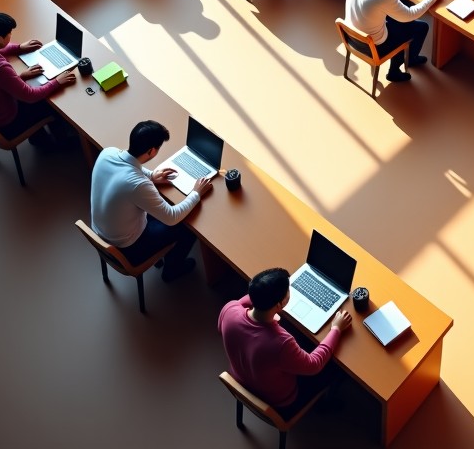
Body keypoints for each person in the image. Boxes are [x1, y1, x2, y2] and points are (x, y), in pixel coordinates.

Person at [90, 119, 213, 283]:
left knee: (159, 205)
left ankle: (167, 258)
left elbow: (128, 167)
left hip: (101, 232)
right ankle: (172, 270)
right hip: (127, 247)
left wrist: (152, 176)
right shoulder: (137, 185)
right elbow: (172, 217)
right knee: (188, 226)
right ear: (151, 151)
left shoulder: (108, 153)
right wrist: (196, 193)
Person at [218, 267, 351, 414]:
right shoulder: (281, 343)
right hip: (281, 401)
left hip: (241, 378)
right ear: (279, 305)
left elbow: (243, 305)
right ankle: (327, 403)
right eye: (289, 290)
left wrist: (267, 288)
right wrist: (336, 328)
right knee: (338, 367)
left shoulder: (229, 310)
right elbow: (314, 364)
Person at [0, 11, 77, 145]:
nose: (10, 36)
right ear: (0, 39)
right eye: (9, 34)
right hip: (6, 124)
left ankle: (39, 138)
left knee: (37, 92)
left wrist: (19, 48)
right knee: (51, 103)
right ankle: (59, 143)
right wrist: (57, 81)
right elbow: (30, 96)